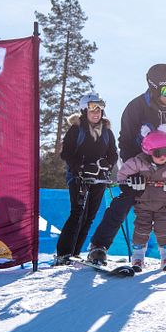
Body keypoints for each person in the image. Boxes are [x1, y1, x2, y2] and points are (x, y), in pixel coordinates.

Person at [86, 64, 166, 264]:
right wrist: (133, 172)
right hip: (141, 163)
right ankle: (98, 247)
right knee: (123, 202)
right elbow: (126, 141)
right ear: (154, 88)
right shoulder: (136, 107)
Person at [118, 127, 166, 272]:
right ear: (148, 151)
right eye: (158, 153)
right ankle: (138, 258)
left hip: (163, 205)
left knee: (164, 230)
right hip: (143, 204)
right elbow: (122, 173)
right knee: (141, 230)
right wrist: (127, 188)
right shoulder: (138, 163)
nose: (163, 156)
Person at [54, 93, 118, 265]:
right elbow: (66, 153)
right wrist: (81, 167)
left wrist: (106, 164)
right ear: (84, 110)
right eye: (92, 109)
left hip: (99, 179)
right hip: (78, 177)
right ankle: (63, 253)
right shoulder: (76, 129)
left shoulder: (107, 132)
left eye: (99, 109)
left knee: (89, 216)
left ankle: (75, 252)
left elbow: (113, 154)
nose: (96, 113)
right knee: (77, 213)